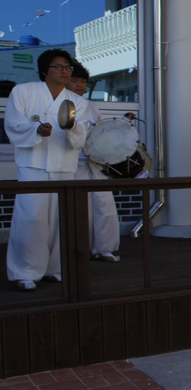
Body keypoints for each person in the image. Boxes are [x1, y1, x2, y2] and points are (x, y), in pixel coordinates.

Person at [4, 49, 91, 290]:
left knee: (60, 218)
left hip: (64, 165)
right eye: (59, 67)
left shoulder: (79, 102)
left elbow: (83, 134)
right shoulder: (23, 91)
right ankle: (25, 271)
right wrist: (35, 130)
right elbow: (13, 123)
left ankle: (55, 268)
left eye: (67, 67)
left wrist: (72, 127)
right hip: (33, 164)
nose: (65, 71)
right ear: (44, 70)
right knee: (31, 218)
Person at [67, 62, 122, 263]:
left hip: (95, 162)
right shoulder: (62, 104)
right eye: (74, 80)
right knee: (79, 208)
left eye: (83, 81)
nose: (79, 85)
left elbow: (100, 131)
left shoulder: (91, 106)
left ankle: (104, 248)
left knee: (103, 204)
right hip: (74, 163)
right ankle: (78, 248)